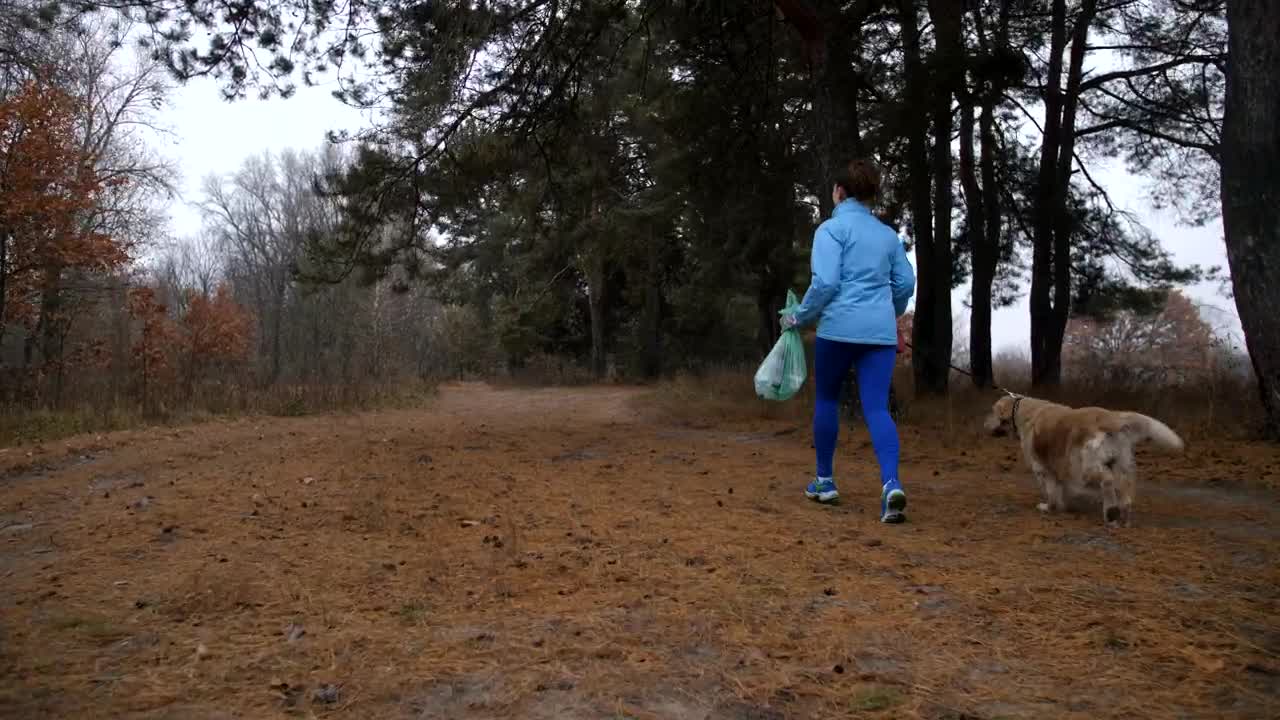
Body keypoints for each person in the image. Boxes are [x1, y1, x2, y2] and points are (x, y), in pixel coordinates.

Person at [781, 159, 916, 523]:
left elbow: (824, 284)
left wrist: (798, 318)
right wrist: (889, 312)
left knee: (826, 399)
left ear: (839, 192)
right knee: (876, 409)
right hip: (879, 335)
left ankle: (825, 481)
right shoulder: (888, 236)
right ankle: (891, 484)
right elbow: (905, 284)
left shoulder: (830, 230)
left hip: (837, 330)